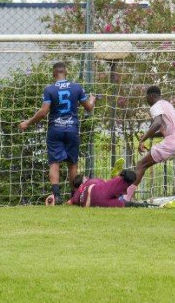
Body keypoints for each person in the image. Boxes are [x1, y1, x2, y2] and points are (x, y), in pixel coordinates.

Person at [20, 62, 95, 204]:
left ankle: (57, 196)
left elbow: (43, 112)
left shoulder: (49, 89)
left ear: (53, 74)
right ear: (66, 72)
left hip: (55, 130)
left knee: (54, 163)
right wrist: (92, 100)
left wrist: (27, 122)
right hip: (72, 129)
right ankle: (74, 197)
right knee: (72, 164)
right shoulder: (77, 87)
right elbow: (89, 108)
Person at [125, 86, 175, 202]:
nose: (146, 100)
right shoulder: (167, 105)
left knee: (141, 164)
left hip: (172, 142)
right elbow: (165, 131)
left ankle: (126, 198)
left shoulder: (155, 106)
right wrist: (150, 135)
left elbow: (157, 123)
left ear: (151, 96)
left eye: (146, 97)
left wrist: (142, 140)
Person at [68, 169, 138, 207]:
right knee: (130, 177)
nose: (87, 177)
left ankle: (130, 203)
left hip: (93, 203)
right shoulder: (90, 182)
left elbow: (69, 202)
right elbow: (105, 183)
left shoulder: (78, 193)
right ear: (82, 183)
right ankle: (123, 175)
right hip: (96, 190)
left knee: (124, 204)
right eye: (85, 177)